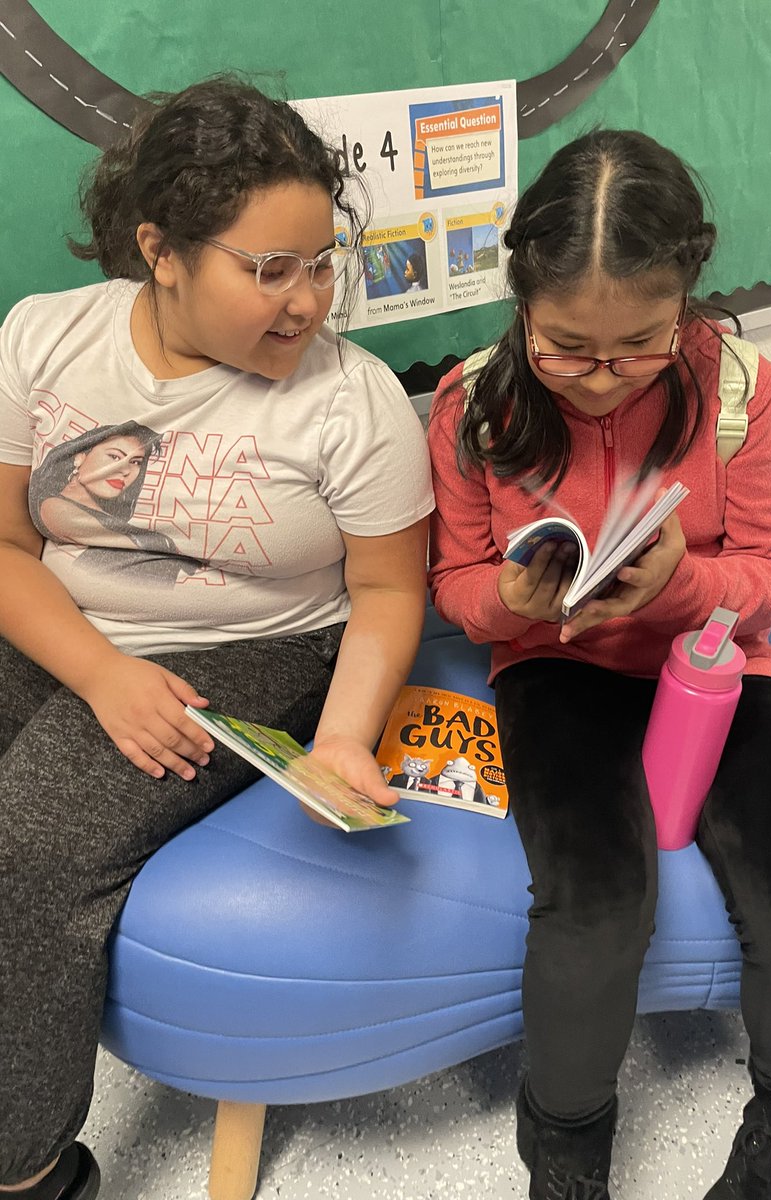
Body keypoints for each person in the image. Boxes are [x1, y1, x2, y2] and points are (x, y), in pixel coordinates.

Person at [0, 76, 433, 1200]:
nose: (308, 302)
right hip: (73, 617)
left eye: (322, 261)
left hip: (254, 646)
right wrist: (97, 673)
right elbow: (5, 547)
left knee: (34, 841)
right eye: (269, 269)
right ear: (162, 250)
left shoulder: (357, 400)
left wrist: (343, 740)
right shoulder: (43, 337)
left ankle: (28, 1165)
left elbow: (388, 593)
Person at [427, 129, 771, 1200]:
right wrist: (514, 600)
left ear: (687, 298)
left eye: (640, 344)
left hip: (717, 660)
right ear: (523, 297)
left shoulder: (737, 387)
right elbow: (455, 585)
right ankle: (567, 1149)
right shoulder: (474, 402)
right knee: (590, 915)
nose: (600, 379)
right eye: (567, 346)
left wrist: (683, 588)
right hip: (555, 666)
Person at [30, 421, 204, 585]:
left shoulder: (117, 521)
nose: (125, 470)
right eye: (114, 456)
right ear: (79, 457)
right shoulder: (54, 505)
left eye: (135, 462)